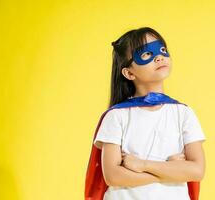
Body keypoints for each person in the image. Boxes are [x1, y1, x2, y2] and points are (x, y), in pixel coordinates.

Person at [85, 27, 206, 200]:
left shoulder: (183, 114)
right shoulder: (117, 116)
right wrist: (171, 171)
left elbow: (196, 171)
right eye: (146, 55)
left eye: (162, 50)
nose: (159, 57)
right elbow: (113, 176)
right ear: (129, 72)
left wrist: (141, 165)